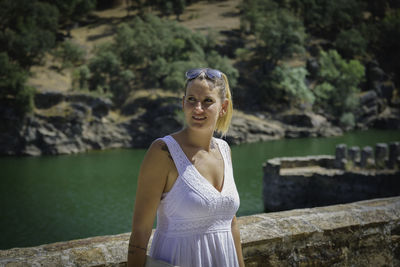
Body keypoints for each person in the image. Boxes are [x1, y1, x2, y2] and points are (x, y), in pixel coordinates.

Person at [127, 68, 245, 267]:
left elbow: (231, 223)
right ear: (183, 103)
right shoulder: (163, 152)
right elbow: (140, 232)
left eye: (207, 101)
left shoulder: (224, 150)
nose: (197, 108)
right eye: (191, 99)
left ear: (223, 107)